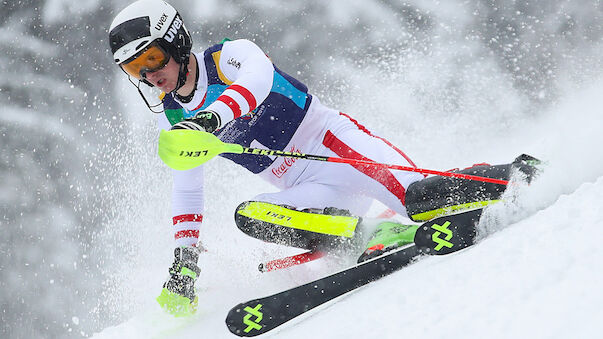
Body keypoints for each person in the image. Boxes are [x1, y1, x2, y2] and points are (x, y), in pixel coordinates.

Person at [108, 0, 537, 317]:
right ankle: (370, 235)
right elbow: (187, 185)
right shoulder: (175, 119)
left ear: (177, 42)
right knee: (250, 214)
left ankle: (518, 175)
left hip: (337, 149)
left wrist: (212, 119)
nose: (149, 74)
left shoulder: (229, 56)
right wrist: (185, 260)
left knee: (421, 198)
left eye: (152, 58)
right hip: (308, 189)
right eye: (135, 70)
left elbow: (257, 82)